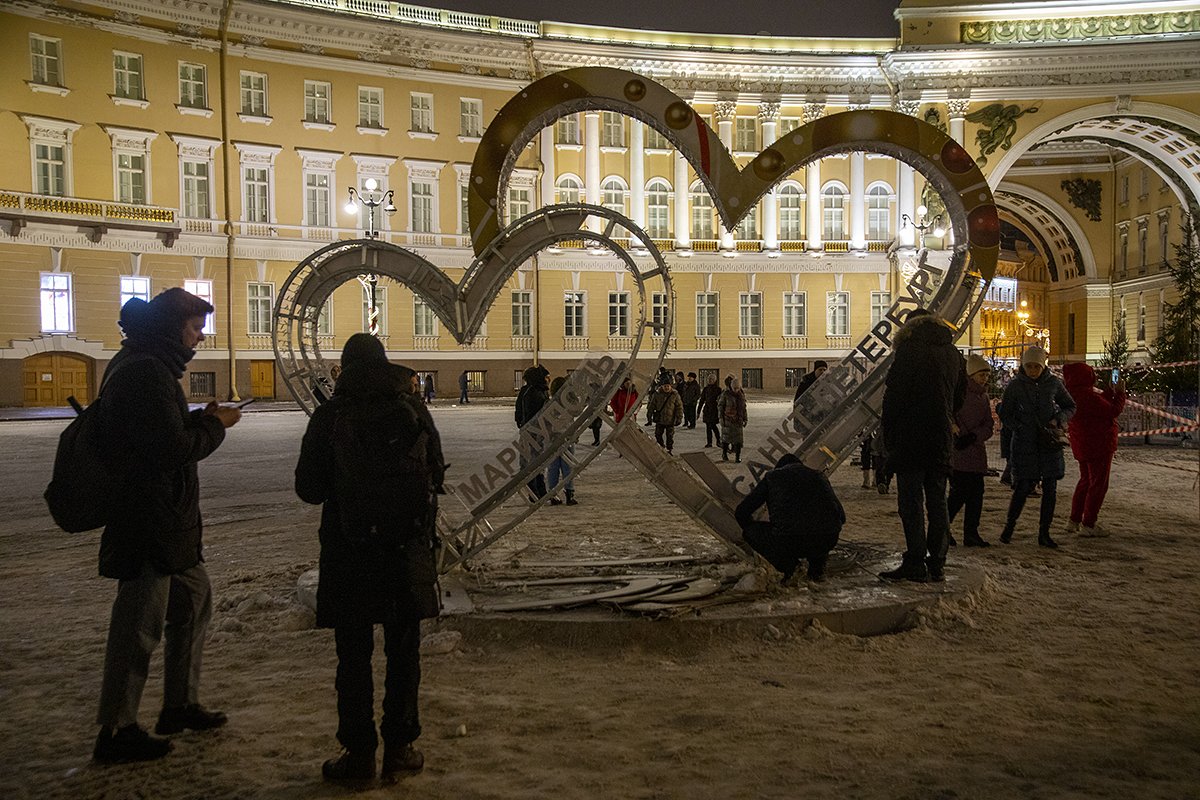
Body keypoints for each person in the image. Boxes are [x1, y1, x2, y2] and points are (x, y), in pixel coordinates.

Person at [92, 288, 241, 763]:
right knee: (138, 627)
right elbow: (169, 450)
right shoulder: (144, 372)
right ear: (172, 327)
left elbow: (161, 432)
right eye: (195, 327)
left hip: (168, 522)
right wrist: (216, 427)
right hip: (147, 521)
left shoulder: (150, 366)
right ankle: (116, 730)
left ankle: (178, 704)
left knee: (194, 603)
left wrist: (200, 418)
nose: (200, 336)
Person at [295, 333, 443, 786]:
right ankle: (400, 749)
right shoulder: (413, 409)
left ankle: (358, 757)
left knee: (353, 658)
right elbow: (436, 473)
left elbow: (308, 488)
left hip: (349, 550)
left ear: (345, 367)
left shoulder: (330, 415)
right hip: (405, 549)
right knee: (404, 652)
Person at [878, 309, 966, 583]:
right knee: (938, 502)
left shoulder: (908, 351)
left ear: (910, 328)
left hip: (910, 438)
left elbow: (894, 397)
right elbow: (958, 397)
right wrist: (944, 416)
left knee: (911, 502)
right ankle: (937, 562)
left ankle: (916, 561)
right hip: (940, 437)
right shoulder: (953, 353)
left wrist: (889, 435)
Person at [998, 347, 1076, 548]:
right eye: (1029, 366)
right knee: (1023, 488)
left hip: (1048, 444)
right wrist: (1019, 427)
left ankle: (1044, 532)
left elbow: (1070, 405)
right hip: (1025, 444)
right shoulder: (1015, 386)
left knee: (1050, 490)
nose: (1033, 370)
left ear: (1043, 366)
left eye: (1036, 366)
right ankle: (1009, 528)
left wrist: (1059, 419)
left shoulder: (1053, 384)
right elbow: (1005, 413)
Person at [735, 454, 845, 583]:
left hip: (790, 540)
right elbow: (841, 517)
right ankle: (816, 569)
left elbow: (741, 512)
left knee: (750, 532)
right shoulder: (819, 476)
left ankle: (790, 566)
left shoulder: (772, 477)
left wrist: (757, 527)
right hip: (827, 540)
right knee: (820, 528)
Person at [1063, 362, 1124, 537]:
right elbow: (1112, 410)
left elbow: (1100, 405)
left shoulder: (1073, 395)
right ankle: (1089, 523)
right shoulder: (1087, 396)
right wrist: (1120, 393)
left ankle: (1074, 520)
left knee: (1085, 481)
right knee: (1098, 484)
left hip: (1083, 445)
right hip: (1099, 444)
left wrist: (1110, 392)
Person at [947, 354, 996, 548]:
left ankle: (971, 532)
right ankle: (944, 528)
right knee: (958, 495)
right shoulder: (960, 394)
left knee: (976, 496)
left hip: (975, 450)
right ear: (971, 374)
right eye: (981, 374)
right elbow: (950, 416)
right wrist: (958, 435)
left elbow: (988, 424)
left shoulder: (983, 396)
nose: (984, 378)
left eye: (986, 374)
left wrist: (975, 436)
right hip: (959, 451)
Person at [515, 365, 550, 499]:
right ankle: (535, 492)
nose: (548, 380)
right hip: (533, 431)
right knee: (533, 462)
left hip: (532, 430)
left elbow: (519, 411)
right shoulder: (535, 392)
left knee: (534, 462)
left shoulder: (531, 391)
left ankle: (539, 491)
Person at [546, 376, 579, 504]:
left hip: (553, 438)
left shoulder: (550, 403)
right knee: (567, 467)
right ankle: (569, 493)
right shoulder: (569, 402)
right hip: (567, 437)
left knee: (553, 467)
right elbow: (575, 414)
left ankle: (552, 494)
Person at [646, 374, 684, 455]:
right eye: (665, 386)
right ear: (662, 386)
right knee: (658, 434)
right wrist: (649, 415)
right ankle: (661, 447)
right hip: (660, 419)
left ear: (671, 386)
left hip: (670, 419)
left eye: (668, 386)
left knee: (670, 436)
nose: (666, 388)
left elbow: (679, 407)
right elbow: (651, 405)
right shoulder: (657, 394)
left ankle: (669, 449)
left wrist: (679, 418)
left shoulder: (675, 395)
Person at [718, 377, 748, 463]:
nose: (736, 390)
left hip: (738, 420)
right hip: (727, 420)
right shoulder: (725, 394)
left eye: (737, 388)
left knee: (738, 440)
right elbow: (720, 407)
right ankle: (724, 454)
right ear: (731, 387)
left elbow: (743, 408)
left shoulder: (741, 396)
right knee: (726, 439)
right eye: (735, 388)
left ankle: (737, 456)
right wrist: (721, 418)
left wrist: (745, 419)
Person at [697, 374, 723, 448]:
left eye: (711, 379)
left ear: (715, 380)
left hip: (714, 410)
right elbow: (702, 400)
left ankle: (718, 440)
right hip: (707, 410)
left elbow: (720, 401)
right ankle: (709, 442)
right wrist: (698, 411)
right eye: (709, 379)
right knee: (708, 427)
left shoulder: (718, 389)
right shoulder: (705, 389)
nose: (710, 380)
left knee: (713, 426)